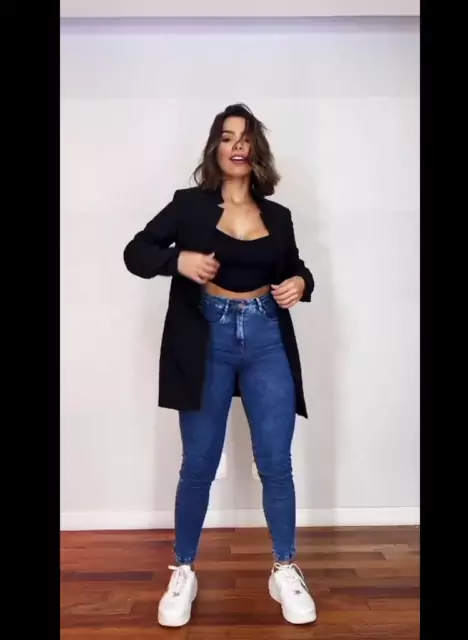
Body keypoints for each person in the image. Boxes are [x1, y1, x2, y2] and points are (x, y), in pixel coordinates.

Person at [123, 103, 316, 627]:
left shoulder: (278, 215)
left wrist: (300, 283)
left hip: (266, 337)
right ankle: (184, 569)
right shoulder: (188, 206)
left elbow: (296, 268)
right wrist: (177, 261)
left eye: (246, 137)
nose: (237, 145)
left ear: (256, 149)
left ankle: (284, 568)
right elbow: (136, 252)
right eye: (228, 137)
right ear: (215, 147)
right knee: (199, 464)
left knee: (275, 462)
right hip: (206, 337)